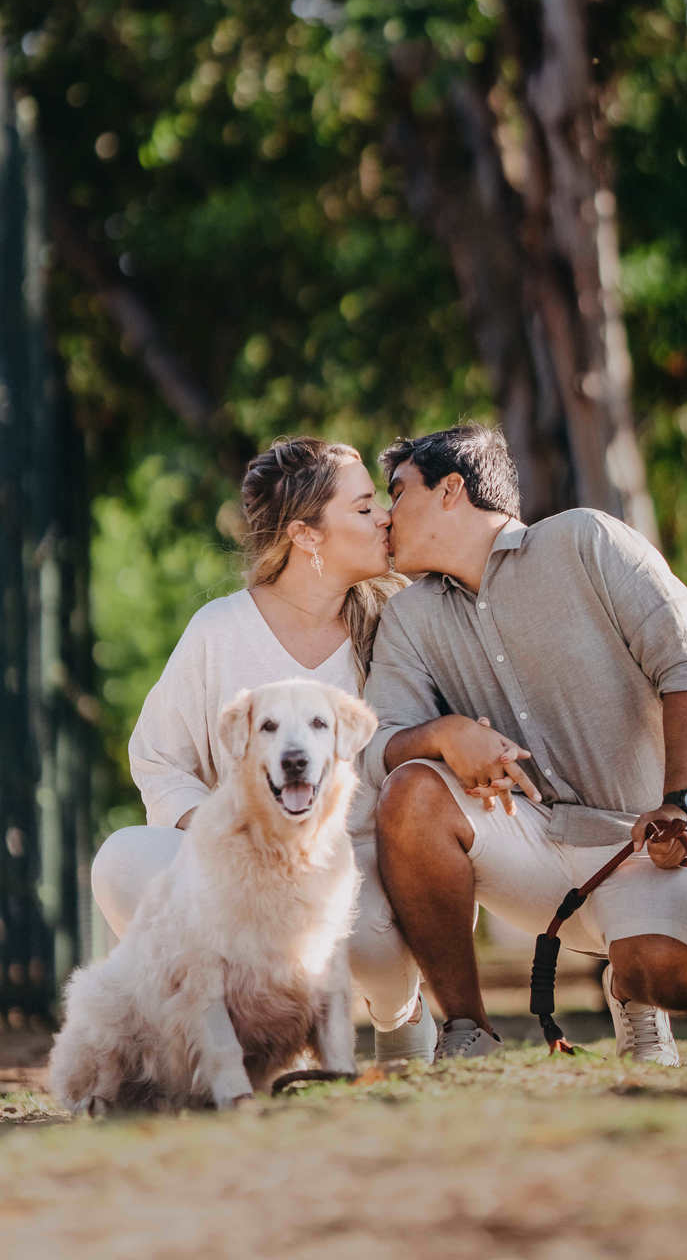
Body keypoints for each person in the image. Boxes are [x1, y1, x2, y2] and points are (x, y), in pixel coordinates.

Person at [363, 423, 687, 1064]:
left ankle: (632, 988)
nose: (384, 517)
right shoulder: (408, 616)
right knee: (408, 793)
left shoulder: (587, 539)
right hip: (530, 844)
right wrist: (446, 734)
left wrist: (683, 800)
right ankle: (466, 1031)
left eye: (397, 493)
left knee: (672, 976)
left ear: (452, 490)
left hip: (651, 842)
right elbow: (379, 748)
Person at [89, 435, 435, 1065]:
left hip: (352, 869)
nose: (384, 516)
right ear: (307, 536)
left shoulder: (401, 625)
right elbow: (159, 758)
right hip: (239, 870)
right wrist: (226, 835)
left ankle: (400, 1015)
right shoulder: (219, 630)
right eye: (362, 509)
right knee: (123, 859)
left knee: (371, 941)